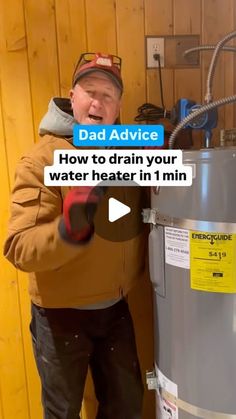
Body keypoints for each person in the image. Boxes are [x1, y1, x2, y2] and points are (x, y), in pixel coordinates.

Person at [3, 52, 149, 419]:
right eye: (90, 91)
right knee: (63, 412)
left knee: (126, 406)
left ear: (117, 110)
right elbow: (18, 247)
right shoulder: (42, 161)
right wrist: (69, 230)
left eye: (109, 95)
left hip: (115, 308)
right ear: (73, 97)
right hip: (59, 316)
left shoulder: (127, 153)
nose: (98, 101)